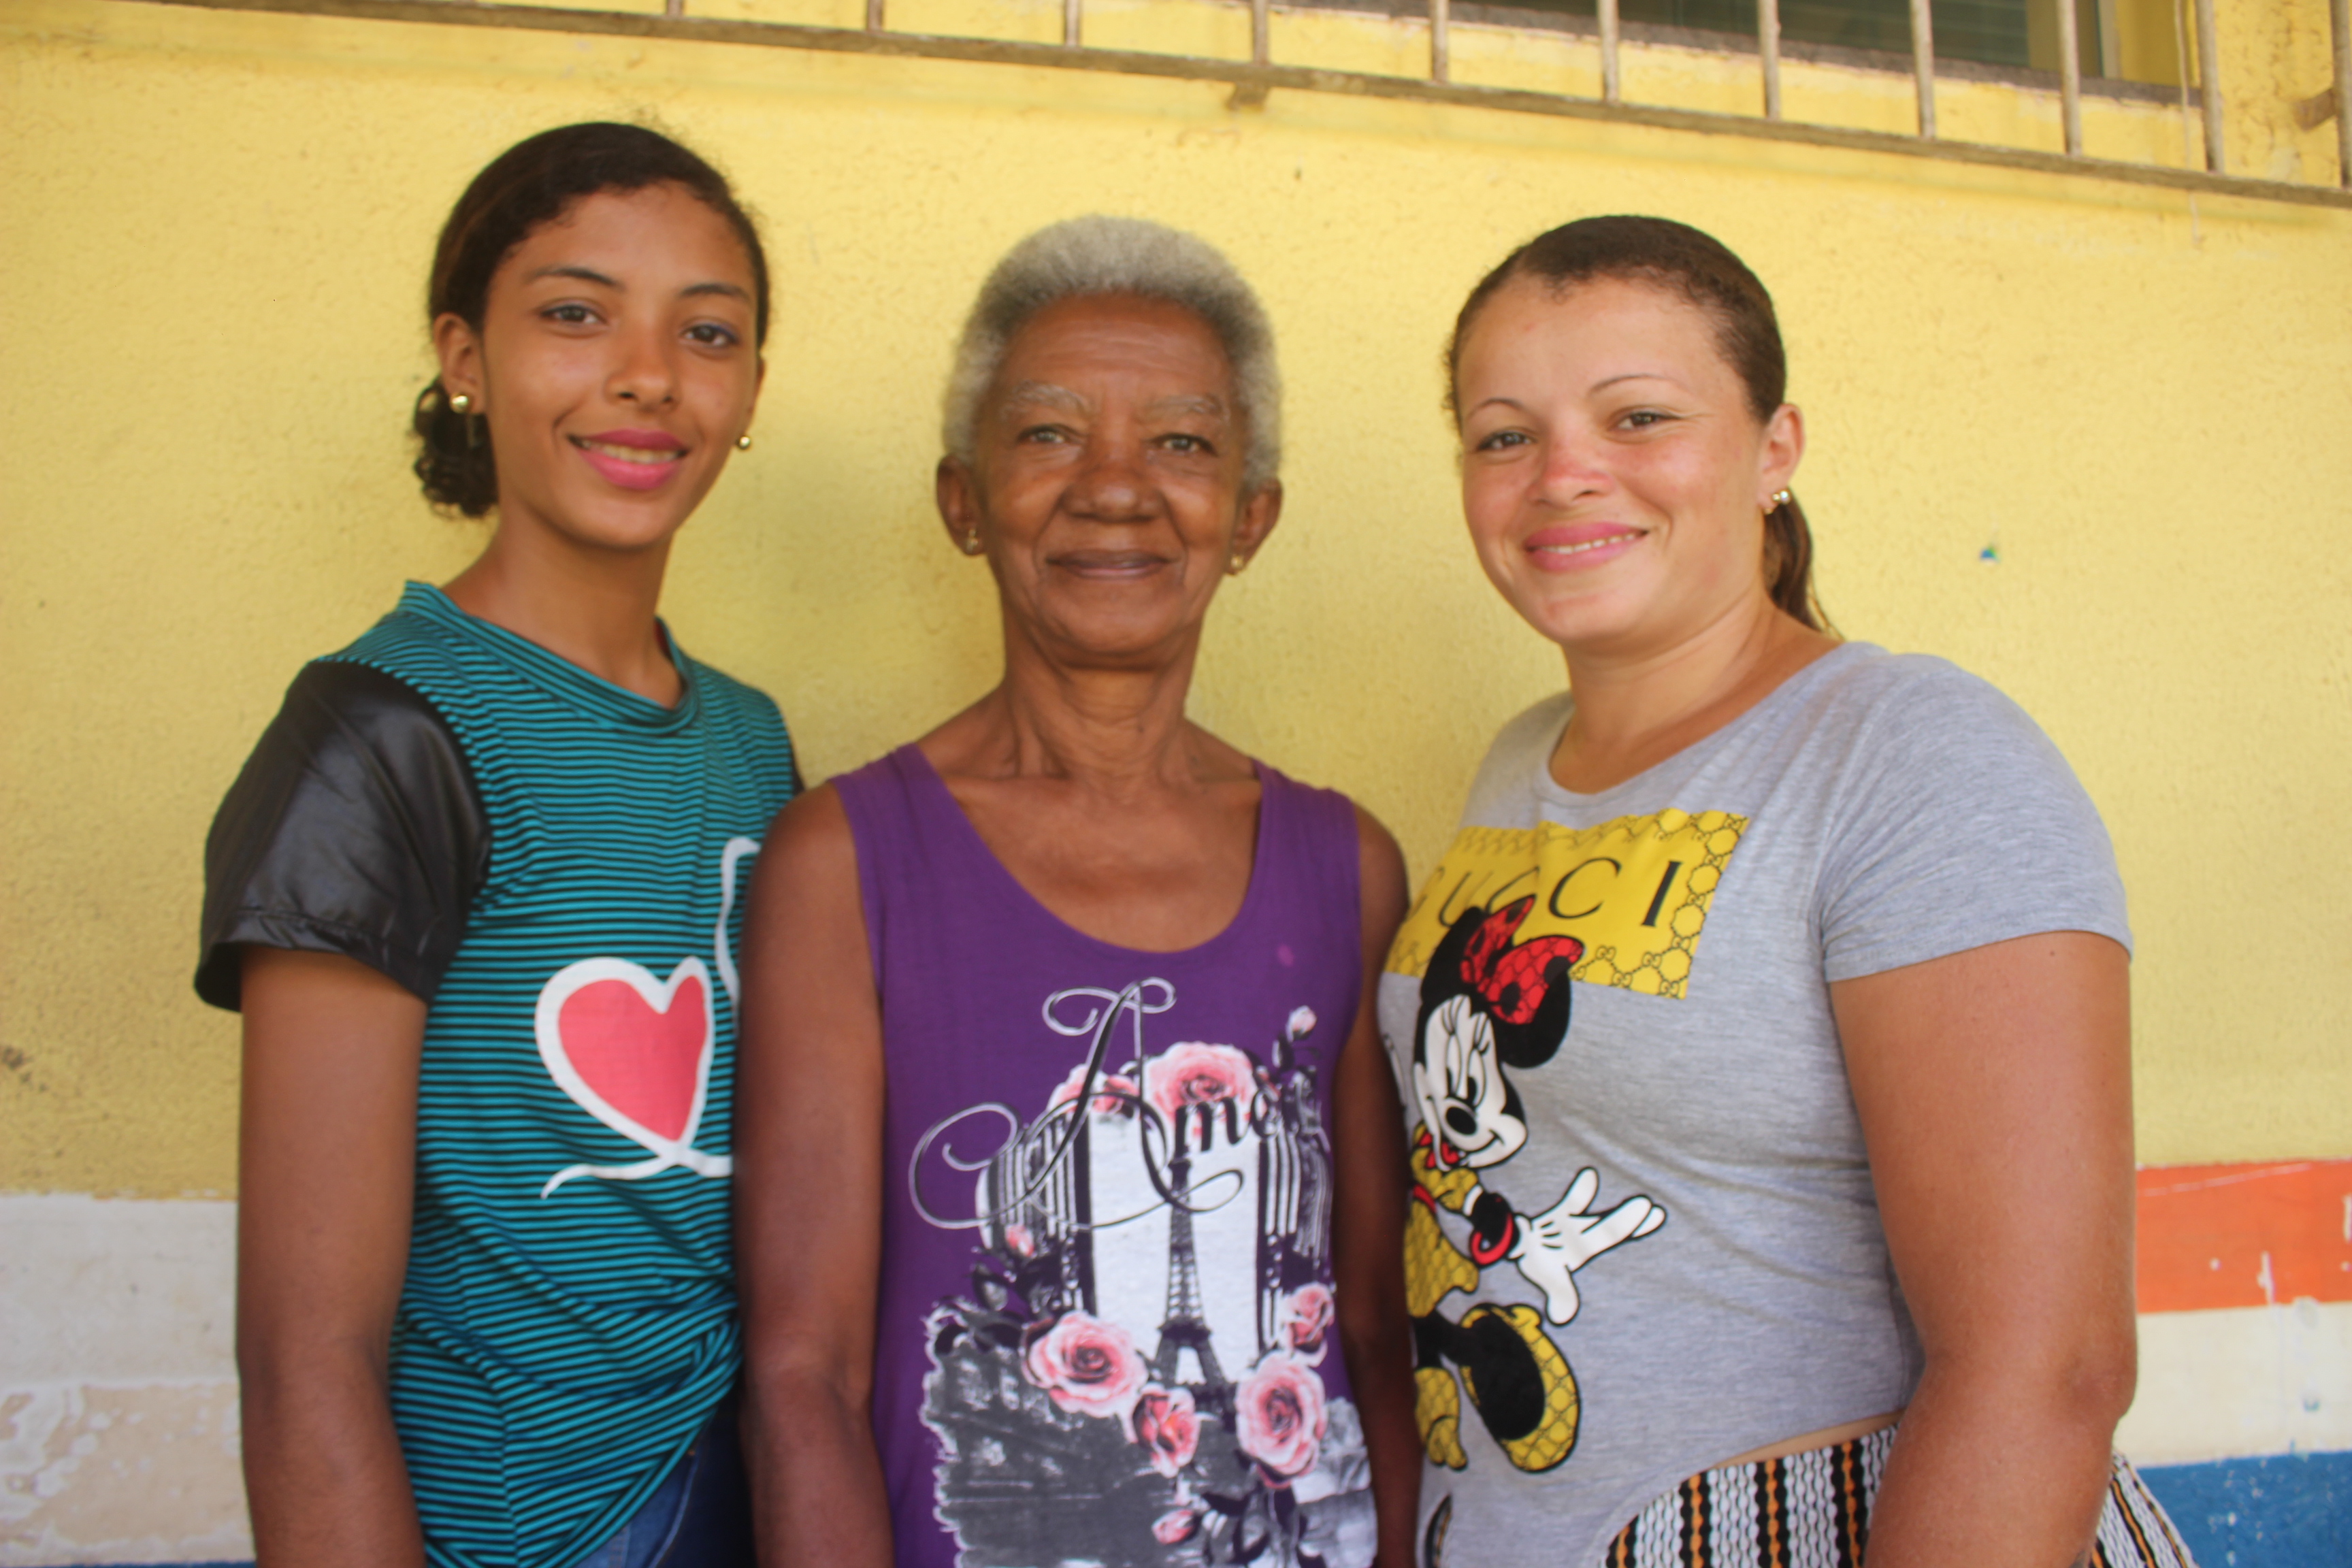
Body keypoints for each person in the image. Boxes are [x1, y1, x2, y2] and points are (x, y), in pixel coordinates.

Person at [1379, 216, 2193, 1568]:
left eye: (1639, 417)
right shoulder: (1522, 763)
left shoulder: (1912, 755)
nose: (1563, 474)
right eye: (1503, 435)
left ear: (1775, 450)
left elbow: (2046, 1368)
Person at [735, 216, 1420, 1568]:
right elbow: (804, 1374)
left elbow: (1376, 1329)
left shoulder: (1344, 866)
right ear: (963, 500)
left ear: (1251, 517)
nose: (1116, 488)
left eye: (1183, 444)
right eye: (1050, 433)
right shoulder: (847, 861)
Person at [196, 122, 793, 1568]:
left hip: (760, 1482)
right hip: (527, 1525)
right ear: (465, 356)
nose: (648, 374)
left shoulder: (755, 741)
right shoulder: (384, 736)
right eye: (576, 315)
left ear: (750, 390)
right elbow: (304, 1352)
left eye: (706, 331)